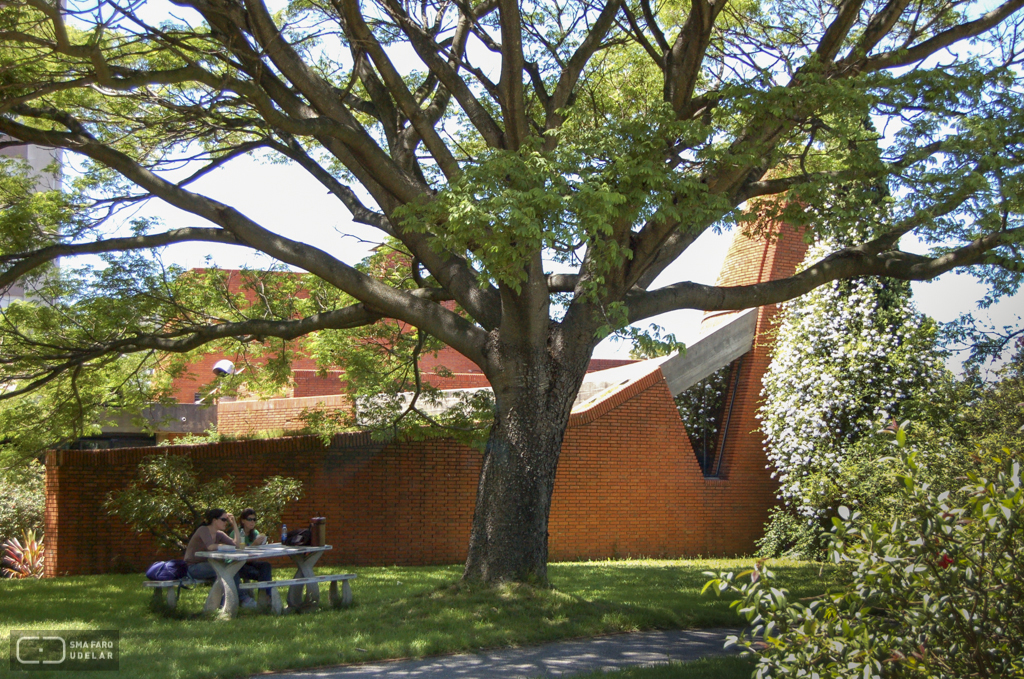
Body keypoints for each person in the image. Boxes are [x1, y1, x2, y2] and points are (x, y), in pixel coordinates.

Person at [183, 508, 257, 610]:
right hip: (193, 568)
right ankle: (243, 599)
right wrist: (222, 546)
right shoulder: (203, 530)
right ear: (214, 520)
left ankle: (225, 605)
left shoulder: (219, 534)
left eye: (227, 520)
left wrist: (234, 524)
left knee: (230, 570)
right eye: (223, 519)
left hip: (211, 566)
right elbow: (210, 546)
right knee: (227, 570)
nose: (226, 522)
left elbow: (237, 545)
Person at [230, 508, 272, 587]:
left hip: (251, 561)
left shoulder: (255, 533)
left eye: (254, 519)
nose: (252, 522)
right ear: (243, 521)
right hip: (238, 564)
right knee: (263, 575)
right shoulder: (237, 533)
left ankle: (266, 595)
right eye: (249, 519)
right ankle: (266, 595)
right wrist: (254, 544)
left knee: (266, 565)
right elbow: (239, 551)